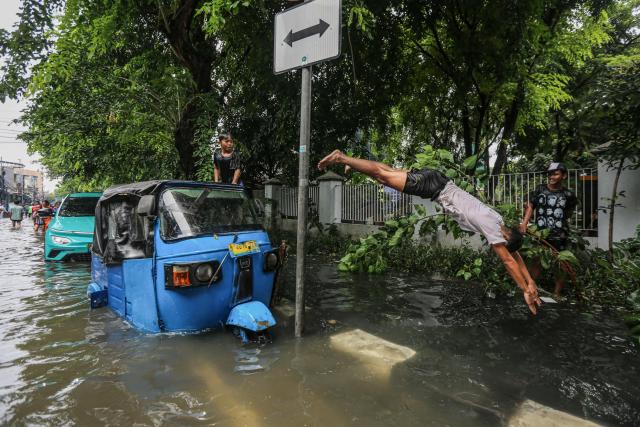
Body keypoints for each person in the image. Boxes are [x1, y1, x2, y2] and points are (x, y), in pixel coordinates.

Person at [318, 149, 542, 315]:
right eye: (500, 246)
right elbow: (508, 261)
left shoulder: (499, 221)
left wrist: (530, 282)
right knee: (383, 175)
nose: (499, 249)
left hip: (437, 180)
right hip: (433, 186)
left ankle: (351, 162)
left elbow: (515, 255)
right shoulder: (492, 227)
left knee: (384, 173)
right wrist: (523, 289)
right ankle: (341, 157)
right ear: (504, 237)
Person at [520, 162, 578, 296]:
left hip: (560, 235)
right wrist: (524, 223)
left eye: (555, 174)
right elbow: (530, 206)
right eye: (550, 174)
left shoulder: (568, 195)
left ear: (564, 176)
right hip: (540, 234)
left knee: (562, 264)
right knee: (537, 262)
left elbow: (569, 212)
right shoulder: (540, 189)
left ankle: (557, 293)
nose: (551, 176)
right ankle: (530, 289)